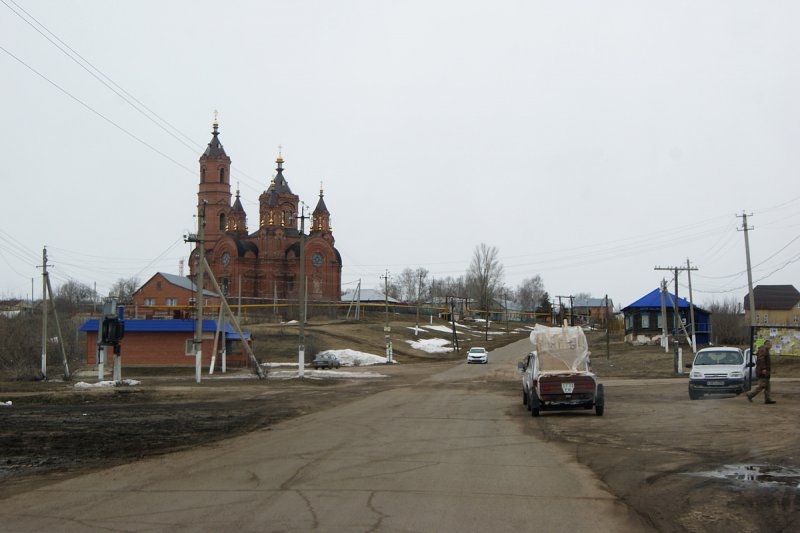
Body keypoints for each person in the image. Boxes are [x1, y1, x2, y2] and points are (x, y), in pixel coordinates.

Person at [746, 339, 776, 404]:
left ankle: (768, 399)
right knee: (762, 385)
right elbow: (761, 360)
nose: (771, 346)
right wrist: (764, 369)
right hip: (762, 371)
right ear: (767, 344)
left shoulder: (765, 350)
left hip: (765, 371)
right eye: (770, 345)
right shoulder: (763, 350)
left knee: (767, 385)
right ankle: (750, 394)